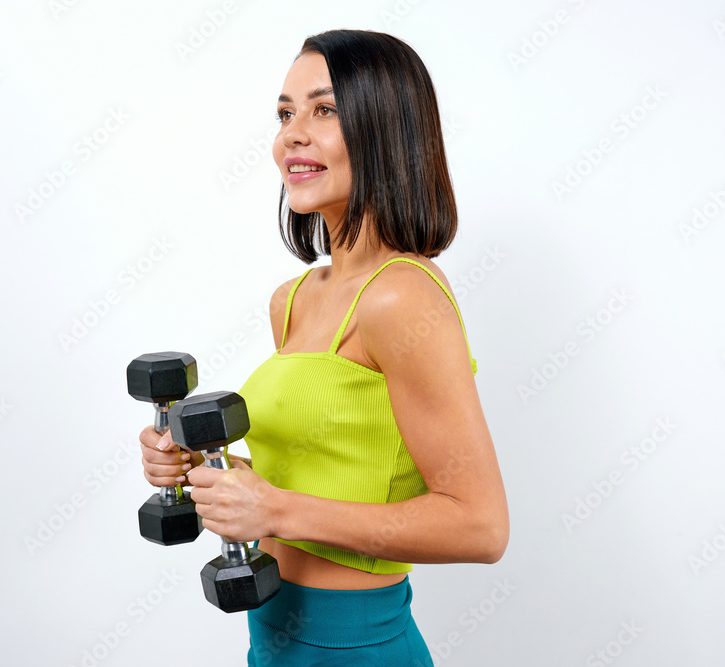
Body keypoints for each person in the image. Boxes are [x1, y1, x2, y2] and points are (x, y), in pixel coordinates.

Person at [139, 29, 509, 665]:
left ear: (382, 129)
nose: (292, 135)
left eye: (324, 110)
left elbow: (481, 525)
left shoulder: (402, 298)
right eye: (285, 113)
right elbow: (320, 470)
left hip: (357, 644)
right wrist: (212, 480)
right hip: (273, 636)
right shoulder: (294, 300)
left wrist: (275, 509)